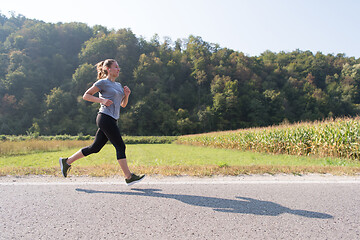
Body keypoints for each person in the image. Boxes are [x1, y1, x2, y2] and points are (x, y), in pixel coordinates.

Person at [59, 59, 145, 186]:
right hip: (104, 117)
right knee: (120, 146)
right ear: (108, 69)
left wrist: (126, 95)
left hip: (112, 119)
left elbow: (123, 105)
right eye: (116, 67)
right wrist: (102, 101)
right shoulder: (102, 83)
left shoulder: (119, 86)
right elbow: (86, 95)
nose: (118, 69)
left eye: (118, 67)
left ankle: (67, 162)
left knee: (95, 148)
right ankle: (128, 177)